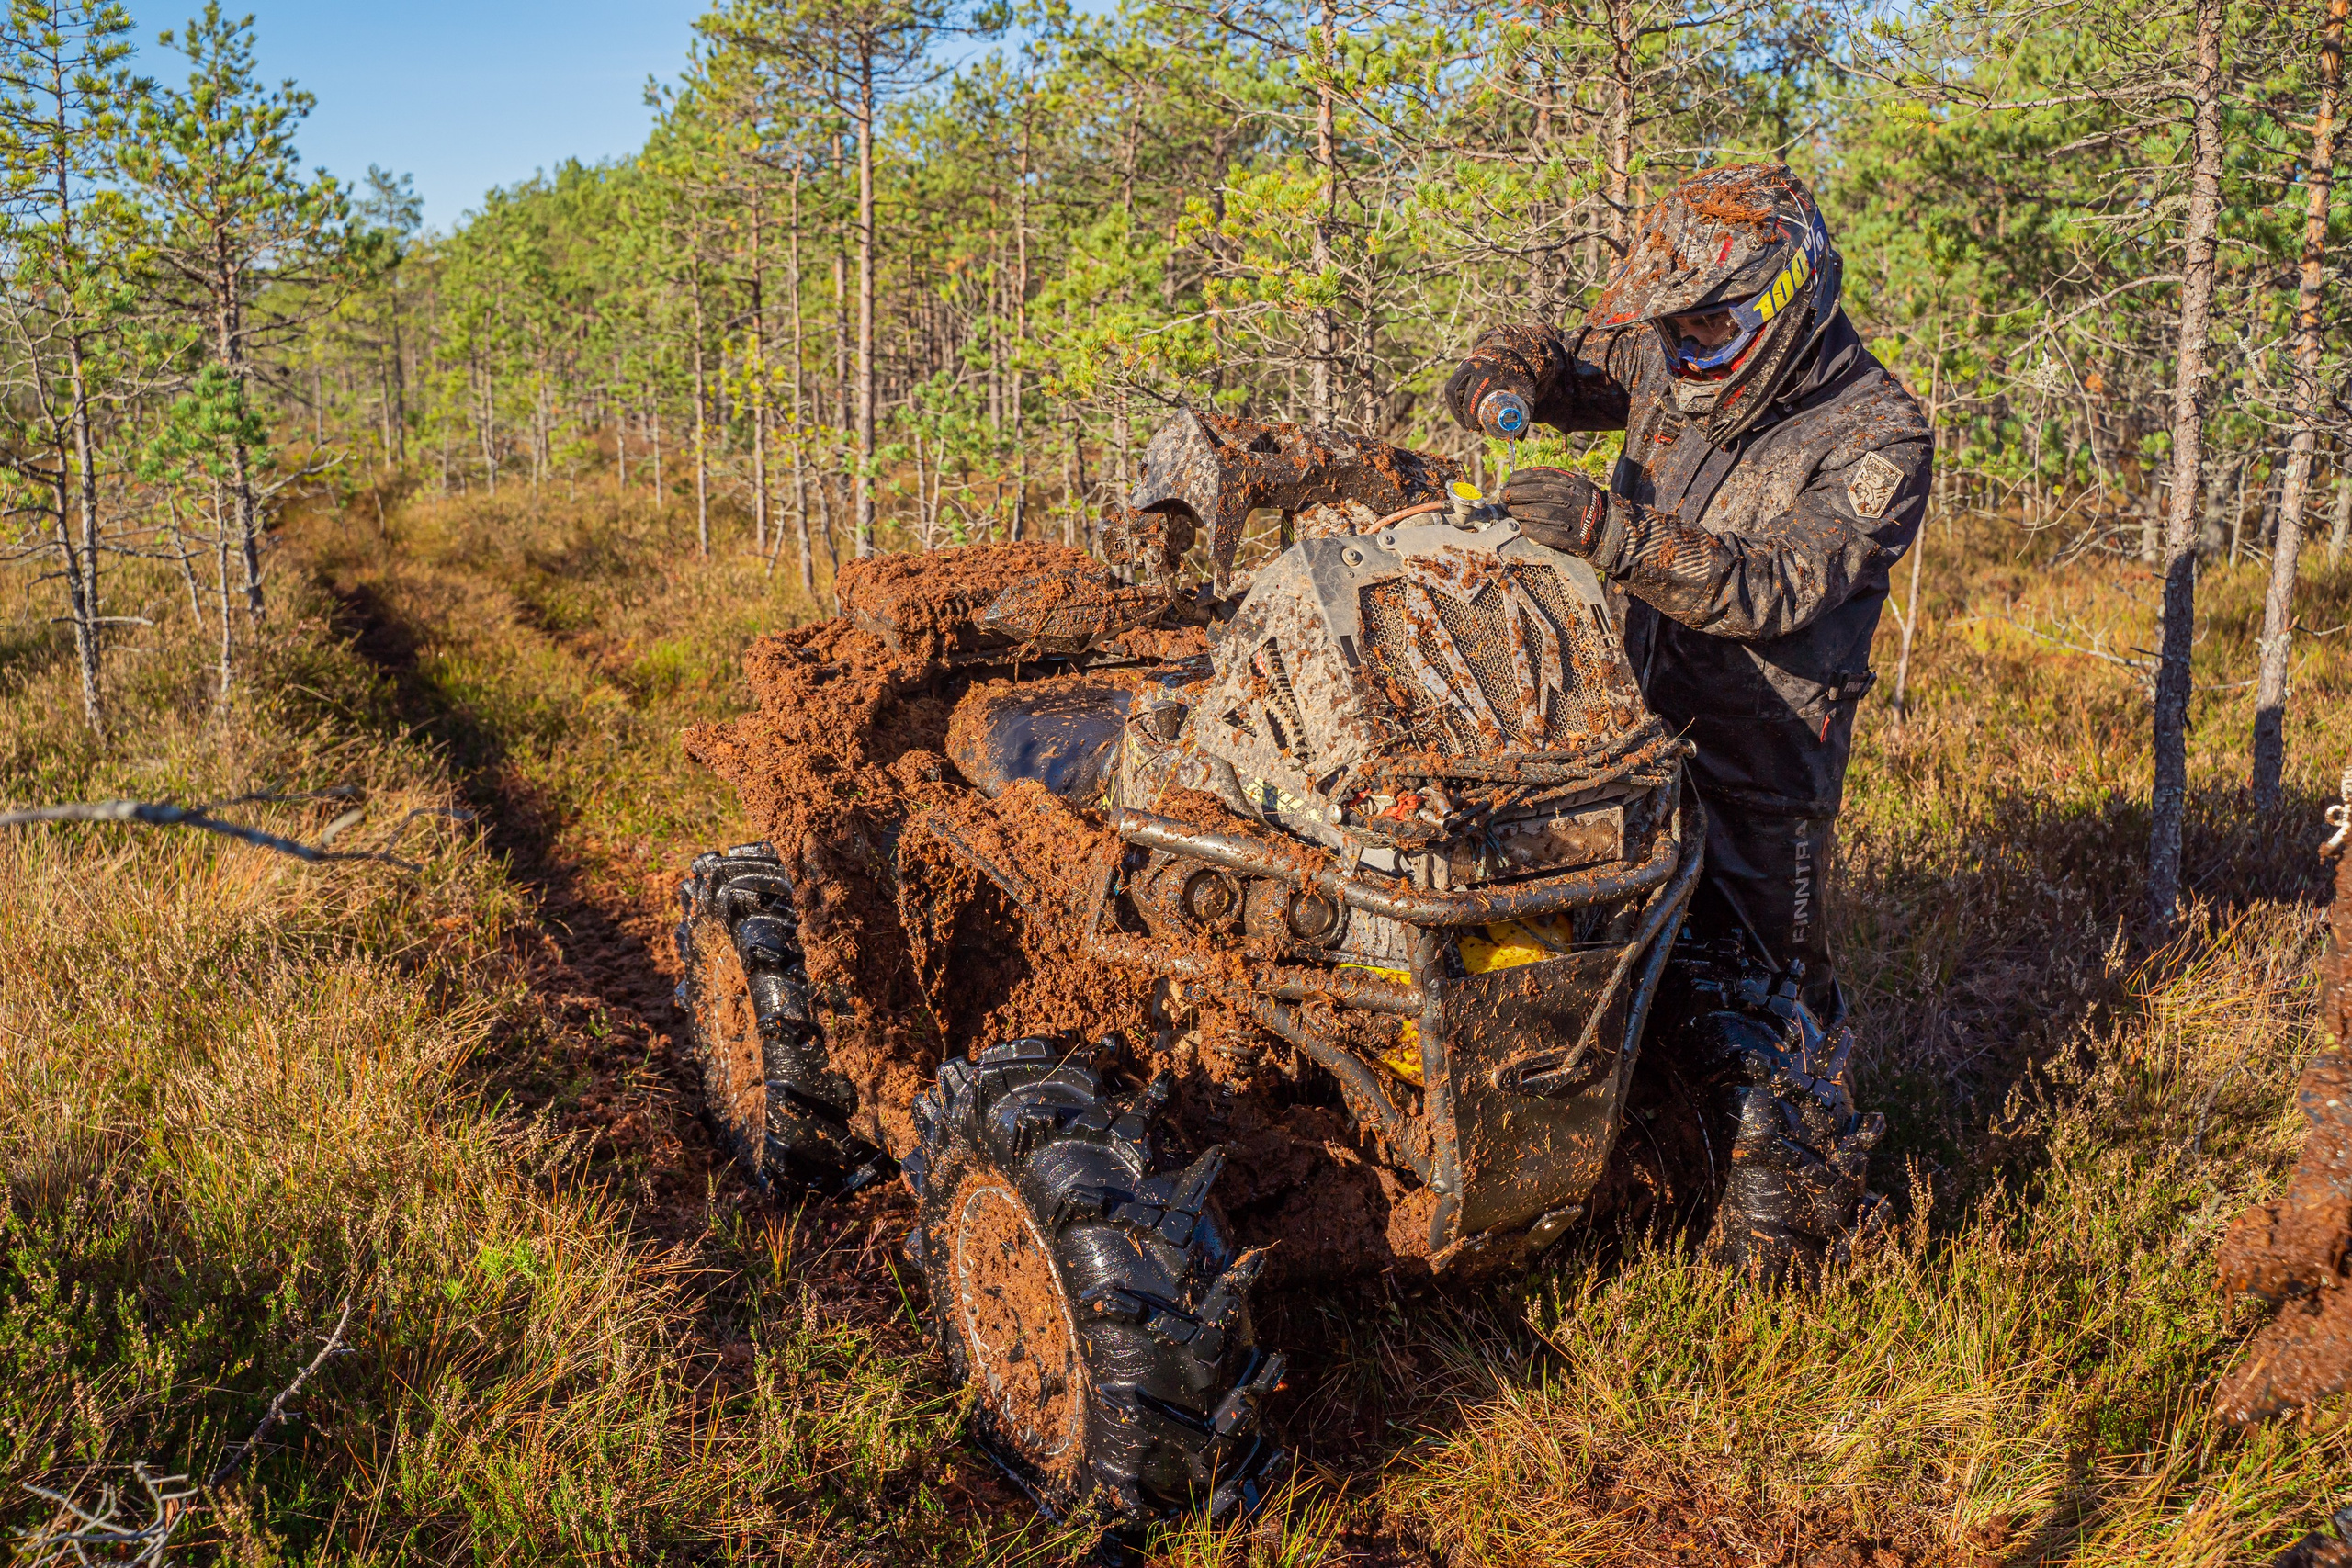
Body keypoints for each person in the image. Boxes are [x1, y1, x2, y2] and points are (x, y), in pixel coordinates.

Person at [1444, 162, 1930, 1279]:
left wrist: (1610, 533)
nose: (1687, 349)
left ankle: (1795, 1240)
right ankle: (1620, 1162)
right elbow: (1566, 362)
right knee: (1602, 943)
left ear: (1787, 297)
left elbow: (1779, 587)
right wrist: (1505, 367)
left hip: (1763, 749)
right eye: (1673, 324)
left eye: (1711, 322)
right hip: (1616, 714)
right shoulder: (1668, 357)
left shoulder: (1875, 432)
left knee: (1775, 988)